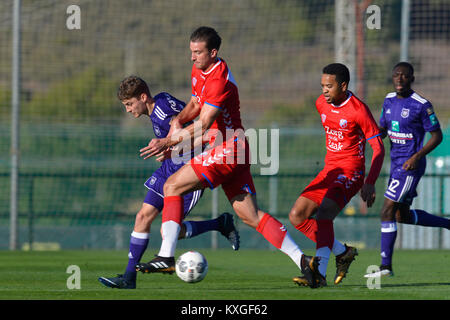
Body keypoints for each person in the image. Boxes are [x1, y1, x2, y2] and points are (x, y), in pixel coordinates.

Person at [136, 26, 315, 281]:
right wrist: (178, 119)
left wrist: (168, 141)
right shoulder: (200, 70)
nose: (192, 57)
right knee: (251, 216)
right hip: (233, 149)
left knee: (172, 186)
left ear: (213, 52)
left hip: (227, 148)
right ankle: (304, 262)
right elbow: (196, 104)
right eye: (191, 51)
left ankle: (165, 257)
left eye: (198, 52)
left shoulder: (219, 79)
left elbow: (205, 124)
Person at [98, 76, 240, 289]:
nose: (127, 109)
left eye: (129, 104)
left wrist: (175, 148)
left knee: (170, 232)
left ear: (143, 97)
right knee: (142, 216)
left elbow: (207, 133)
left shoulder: (163, 111)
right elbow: (180, 133)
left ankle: (219, 224)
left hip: (187, 171)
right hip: (169, 167)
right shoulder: (161, 102)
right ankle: (129, 277)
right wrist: (172, 151)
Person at [289, 63, 385, 288]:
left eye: (329, 86)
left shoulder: (358, 109)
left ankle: (319, 273)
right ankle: (343, 252)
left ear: (343, 86)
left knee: (324, 215)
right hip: (329, 170)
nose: (324, 90)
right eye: (322, 85)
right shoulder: (321, 103)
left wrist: (370, 182)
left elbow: (379, 149)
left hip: (351, 172)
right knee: (297, 216)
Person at [365, 62, 448, 278]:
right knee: (401, 216)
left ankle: (385, 266)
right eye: (396, 75)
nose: (399, 78)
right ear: (392, 78)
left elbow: (437, 136)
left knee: (386, 210)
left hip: (410, 166)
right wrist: (370, 137)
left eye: (404, 75)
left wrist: (416, 156)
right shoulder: (388, 100)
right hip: (395, 165)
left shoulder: (421, 105)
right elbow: (383, 128)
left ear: (412, 79)